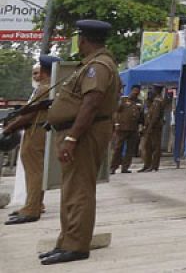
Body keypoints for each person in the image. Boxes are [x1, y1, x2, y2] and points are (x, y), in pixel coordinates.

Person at [39, 19, 122, 265]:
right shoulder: (90, 64)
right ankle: (66, 241)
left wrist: (73, 137)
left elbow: (91, 103)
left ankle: (76, 245)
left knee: (80, 191)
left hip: (85, 134)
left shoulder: (99, 66)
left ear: (84, 39)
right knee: (72, 190)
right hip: (80, 132)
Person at [4, 56, 56, 226]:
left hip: (35, 131)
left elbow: (29, 114)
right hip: (39, 130)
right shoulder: (49, 86)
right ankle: (34, 204)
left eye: (38, 70)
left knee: (34, 171)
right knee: (36, 170)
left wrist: (10, 127)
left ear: (45, 71)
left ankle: (31, 208)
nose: (36, 74)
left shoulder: (44, 88)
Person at [109, 93, 143, 174]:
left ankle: (125, 167)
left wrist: (141, 127)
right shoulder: (123, 100)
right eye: (134, 91)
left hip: (133, 129)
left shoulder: (139, 102)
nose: (135, 93)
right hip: (122, 129)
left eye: (137, 92)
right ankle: (113, 167)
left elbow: (140, 116)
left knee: (130, 150)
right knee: (118, 148)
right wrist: (116, 124)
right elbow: (116, 112)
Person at [137, 85, 166, 172]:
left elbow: (155, 117)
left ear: (157, 90)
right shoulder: (153, 101)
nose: (151, 91)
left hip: (155, 127)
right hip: (150, 127)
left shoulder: (158, 101)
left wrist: (150, 127)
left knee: (155, 147)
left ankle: (154, 166)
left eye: (152, 90)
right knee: (147, 146)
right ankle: (147, 165)